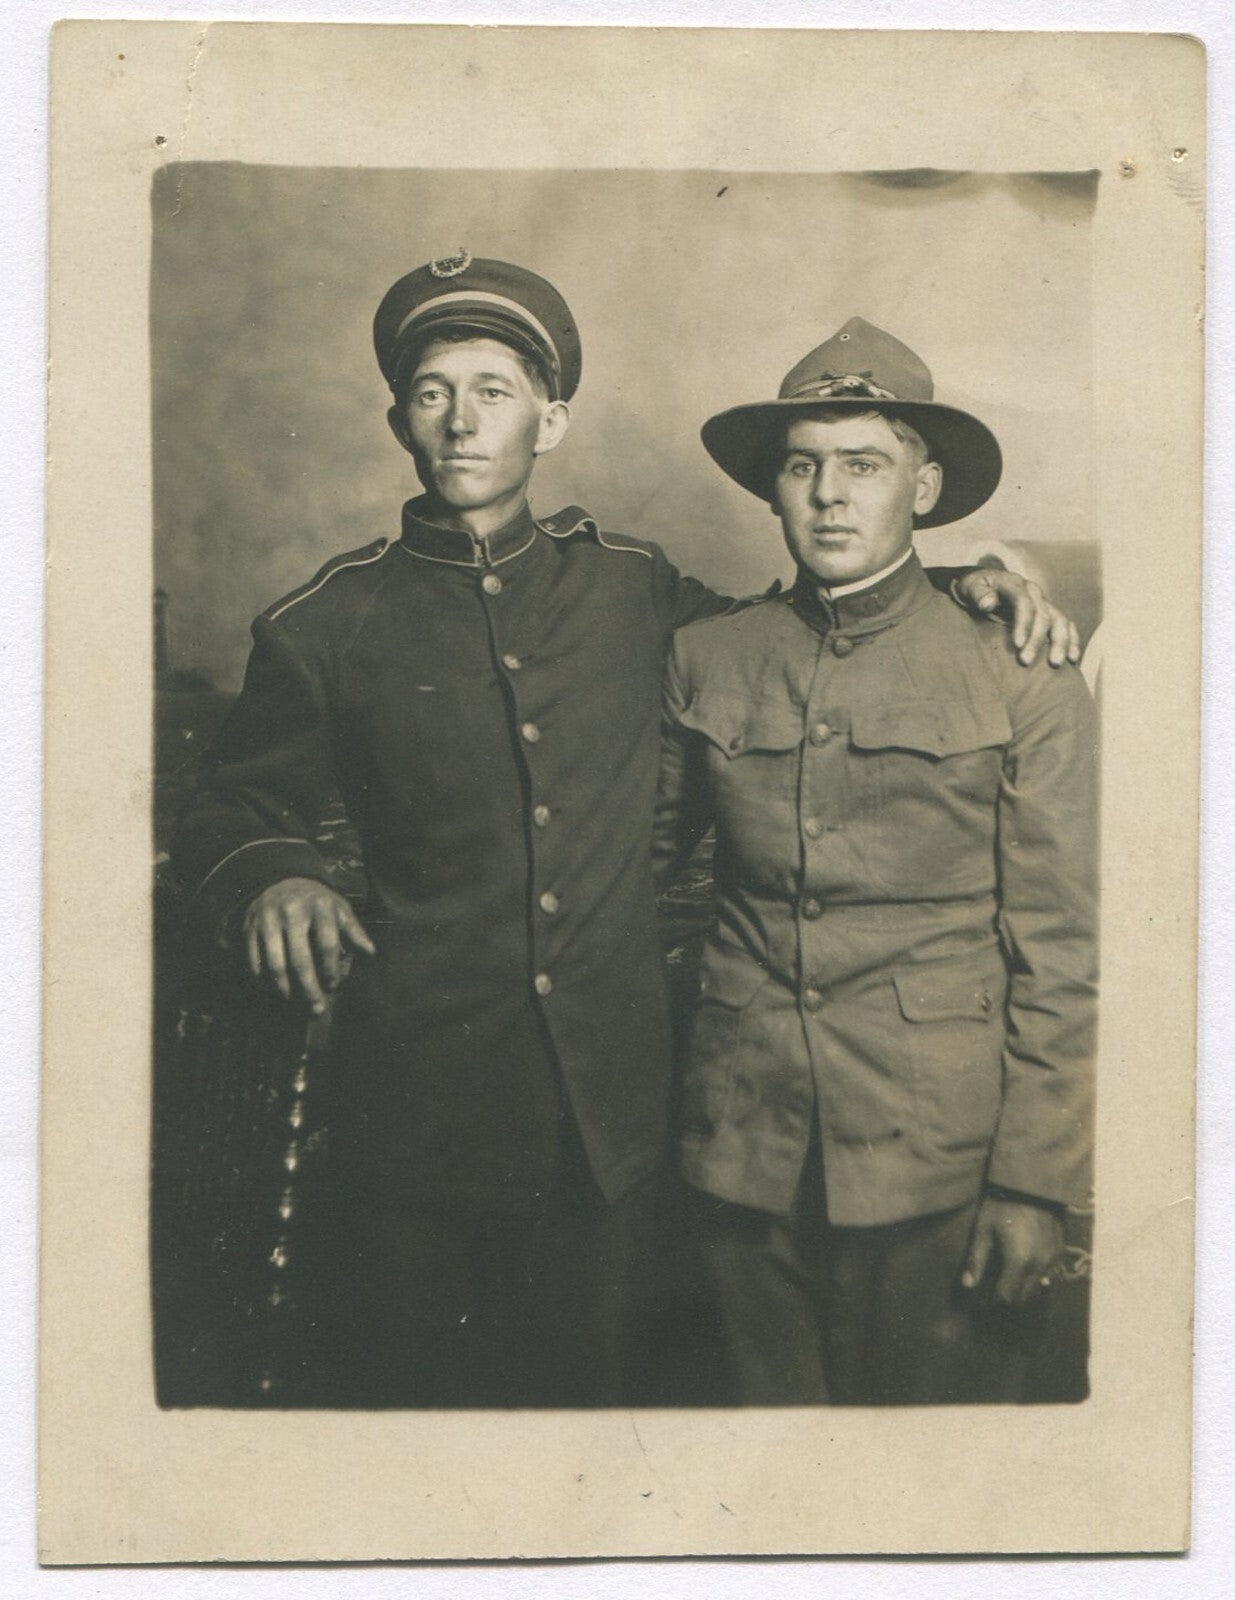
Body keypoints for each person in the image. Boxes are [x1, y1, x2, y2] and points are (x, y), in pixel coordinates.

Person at [173, 261, 1081, 1408]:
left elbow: (822, 629)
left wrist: (974, 577)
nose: (461, 421)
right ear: (397, 417)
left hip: (613, 1130)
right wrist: (274, 879)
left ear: (549, 419)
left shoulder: (634, 590)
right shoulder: (325, 621)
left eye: (493, 390)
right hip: (417, 1118)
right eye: (432, 393)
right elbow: (230, 805)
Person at [654, 318, 1097, 1406]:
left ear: (925, 484)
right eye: (802, 465)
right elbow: (638, 872)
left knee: (923, 1503)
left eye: (864, 464)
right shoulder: (708, 656)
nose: (829, 495)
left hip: (936, 1159)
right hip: (739, 1150)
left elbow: (1061, 948)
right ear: (771, 488)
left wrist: (1034, 1183)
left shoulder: (1016, 666)